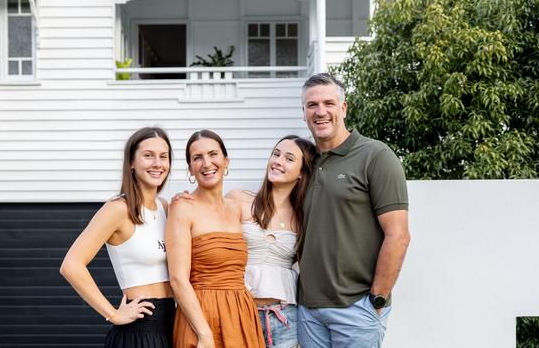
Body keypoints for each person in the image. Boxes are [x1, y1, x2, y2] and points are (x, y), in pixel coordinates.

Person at [297, 73, 411, 348]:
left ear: (343, 108)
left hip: (356, 309)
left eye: (329, 103)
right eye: (312, 105)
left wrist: (377, 299)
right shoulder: (306, 163)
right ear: (303, 113)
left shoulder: (375, 156)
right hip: (308, 312)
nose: (320, 112)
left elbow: (398, 235)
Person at [60, 127, 175, 348]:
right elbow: (71, 265)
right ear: (131, 162)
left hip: (172, 323)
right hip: (141, 330)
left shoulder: (165, 207)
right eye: (148, 155)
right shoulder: (118, 209)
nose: (157, 163)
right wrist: (112, 314)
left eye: (163, 156)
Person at [166, 129, 265, 348]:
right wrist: (204, 333)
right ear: (191, 168)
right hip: (201, 315)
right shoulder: (183, 208)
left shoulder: (236, 208)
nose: (206, 163)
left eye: (213, 154)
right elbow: (178, 280)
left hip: (241, 315)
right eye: (197, 158)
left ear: (226, 161)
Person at [226, 135, 316, 348]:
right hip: (240, 314)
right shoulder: (238, 199)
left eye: (289, 158)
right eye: (276, 154)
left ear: (302, 174)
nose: (278, 161)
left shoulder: (302, 217)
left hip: (285, 319)